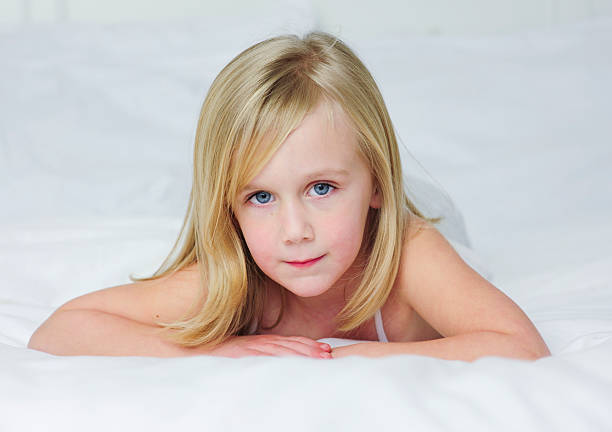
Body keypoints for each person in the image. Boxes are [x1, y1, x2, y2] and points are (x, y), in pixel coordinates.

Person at [27, 31, 550, 361]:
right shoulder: (234, 275)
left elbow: (518, 344)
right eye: (259, 197)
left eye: (321, 188)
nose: (294, 230)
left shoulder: (413, 255)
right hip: (350, 208)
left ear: (377, 185)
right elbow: (62, 329)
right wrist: (220, 350)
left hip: (414, 219)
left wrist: (361, 358)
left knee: (434, 214)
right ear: (227, 207)